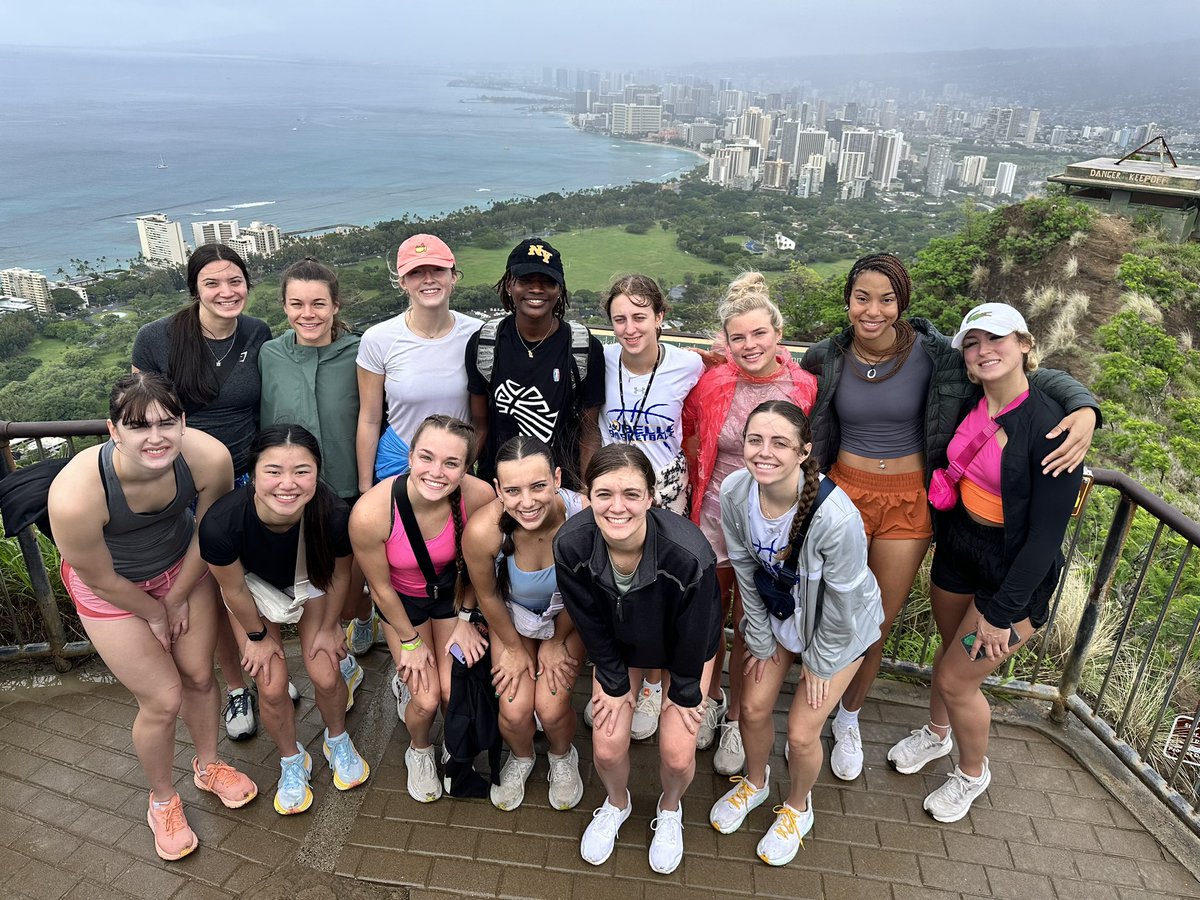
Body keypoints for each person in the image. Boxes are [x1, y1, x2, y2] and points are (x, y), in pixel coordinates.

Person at [801, 254, 1100, 782]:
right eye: (862, 297)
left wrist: (1085, 406)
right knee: (829, 612)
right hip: (843, 495)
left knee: (875, 624)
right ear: (847, 301)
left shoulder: (937, 355)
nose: (873, 310)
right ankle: (811, 722)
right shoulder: (829, 355)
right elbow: (773, 365)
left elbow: (1029, 375)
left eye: (887, 299)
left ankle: (848, 718)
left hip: (908, 501)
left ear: (902, 304)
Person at [887, 303, 1084, 822]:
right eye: (971, 343)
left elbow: (1044, 537)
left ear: (1024, 343)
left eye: (994, 339)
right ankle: (936, 733)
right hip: (960, 549)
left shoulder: (1052, 426)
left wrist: (1001, 612)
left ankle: (973, 773)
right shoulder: (967, 399)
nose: (982, 351)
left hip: (1015, 573)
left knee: (958, 679)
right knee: (949, 651)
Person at [48, 373, 257, 861]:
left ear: (183, 421)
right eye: (139, 426)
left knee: (200, 676)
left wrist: (178, 597)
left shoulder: (208, 458)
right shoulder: (76, 493)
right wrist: (154, 612)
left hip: (183, 569)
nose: (156, 436)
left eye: (167, 422)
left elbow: (211, 534)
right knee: (163, 700)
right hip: (114, 592)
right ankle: (162, 799)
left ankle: (208, 766)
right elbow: (98, 578)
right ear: (113, 430)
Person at [709, 401, 882, 866]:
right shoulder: (735, 490)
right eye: (755, 440)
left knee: (805, 732)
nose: (764, 453)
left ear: (804, 451)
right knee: (752, 706)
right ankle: (756, 781)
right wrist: (761, 636)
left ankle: (798, 807)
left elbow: (844, 602)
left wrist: (819, 665)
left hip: (837, 631)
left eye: (780, 443)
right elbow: (745, 566)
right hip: (781, 613)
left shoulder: (835, 517)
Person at [554, 444, 722, 875]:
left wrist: (683, 692)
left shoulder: (690, 555)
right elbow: (589, 621)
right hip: (621, 647)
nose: (617, 507)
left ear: (651, 497)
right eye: (604, 493)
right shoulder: (571, 545)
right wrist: (612, 679)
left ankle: (670, 810)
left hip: (682, 651)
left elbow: (700, 632)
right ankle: (616, 803)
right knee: (608, 748)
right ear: (587, 496)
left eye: (631, 493)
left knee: (678, 754)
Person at [132, 242, 273, 742]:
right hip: (187, 487)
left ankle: (267, 673)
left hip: (250, 481)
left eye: (234, 281)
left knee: (252, 583)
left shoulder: (256, 332)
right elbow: (148, 416)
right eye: (212, 282)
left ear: (248, 285)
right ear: (195, 288)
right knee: (209, 590)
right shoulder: (158, 339)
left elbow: (265, 406)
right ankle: (236, 685)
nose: (225, 291)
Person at [682, 272, 817, 776]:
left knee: (757, 620)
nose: (749, 345)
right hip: (716, 514)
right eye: (738, 337)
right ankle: (710, 699)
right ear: (726, 341)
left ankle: (740, 716)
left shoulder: (804, 385)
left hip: (776, 523)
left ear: (778, 334)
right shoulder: (714, 380)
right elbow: (692, 433)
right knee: (711, 617)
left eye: (759, 334)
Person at [201, 425, 370, 815]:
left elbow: (340, 574)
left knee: (327, 673)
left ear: (318, 472)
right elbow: (233, 590)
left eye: (302, 471)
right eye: (274, 471)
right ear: (253, 474)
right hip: (252, 594)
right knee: (272, 686)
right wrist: (257, 636)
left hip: (311, 583)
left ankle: (337, 738)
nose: (287, 484)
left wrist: (329, 626)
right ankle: (292, 761)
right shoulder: (221, 524)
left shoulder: (334, 516)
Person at [353, 235, 481, 688]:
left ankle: (451, 630)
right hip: (398, 458)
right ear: (402, 281)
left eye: (437, 270)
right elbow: (369, 417)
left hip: (453, 464)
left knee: (453, 557)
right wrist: (368, 486)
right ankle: (405, 649)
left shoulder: (477, 333)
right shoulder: (379, 338)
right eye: (416, 272)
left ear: (453, 275)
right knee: (393, 564)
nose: (428, 279)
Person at [348, 415, 496, 803]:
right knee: (426, 699)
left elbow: (481, 567)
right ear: (410, 455)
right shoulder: (371, 512)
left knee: (452, 693)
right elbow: (379, 589)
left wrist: (466, 617)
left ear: (466, 469)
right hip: (402, 605)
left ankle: (453, 744)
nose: (436, 472)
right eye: (426, 457)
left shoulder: (478, 497)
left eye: (451, 463)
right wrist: (411, 643)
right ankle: (419, 749)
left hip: (449, 599)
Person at [596, 274, 705, 741]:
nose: (629, 328)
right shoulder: (599, 361)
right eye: (619, 319)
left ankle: (654, 687)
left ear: (660, 317)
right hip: (615, 492)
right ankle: (620, 681)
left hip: (665, 492)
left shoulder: (689, 365)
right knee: (615, 589)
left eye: (640, 317)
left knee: (660, 591)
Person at [258, 257, 366, 703]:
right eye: (297, 303)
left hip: (348, 485)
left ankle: (355, 624)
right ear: (283, 306)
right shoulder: (271, 354)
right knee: (307, 578)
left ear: (335, 305)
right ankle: (337, 658)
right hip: (290, 492)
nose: (308, 314)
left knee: (352, 580)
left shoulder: (361, 351)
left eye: (319, 303)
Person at [463, 435, 587, 812]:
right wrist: (515, 649)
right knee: (515, 710)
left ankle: (563, 756)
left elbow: (586, 593)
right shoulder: (484, 532)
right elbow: (487, 596)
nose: (527, 502)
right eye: (513, 490)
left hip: (569, 615)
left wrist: (558, 640)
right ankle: (521, 756)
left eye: (538, 486)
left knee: (550, 709)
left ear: (557, 478)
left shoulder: (583, 518)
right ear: (498, 489)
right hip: (513, 618)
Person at [466, 237, 604, 491]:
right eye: (526, 280)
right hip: (498, 488)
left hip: (561, 489)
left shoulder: (583, 348)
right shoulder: (485, 344)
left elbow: (589, 431)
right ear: (509, 285)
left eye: (548, 281)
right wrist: (460, 478)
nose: (537, 289)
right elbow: (479, 425)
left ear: (560, 289)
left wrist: (589, 492)